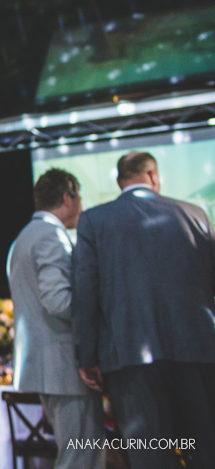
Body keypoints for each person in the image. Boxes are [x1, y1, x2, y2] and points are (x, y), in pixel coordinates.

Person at [72, 152, 215, 469]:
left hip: (129, 358)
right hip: (199, 351)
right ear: (153, 175)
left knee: (151, 454)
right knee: (207, 447)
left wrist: (88, 357)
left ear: (121, 181)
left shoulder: (94, 221)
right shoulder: (196, 214)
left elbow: (86, 292)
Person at [8, 168, 105, 469]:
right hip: (64, 366)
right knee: (81, 456)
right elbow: (58, 301)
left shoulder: (22, 239)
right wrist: (98, 319)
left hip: (46, 367)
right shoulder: (52, 235)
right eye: (80, 198)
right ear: (67, 197)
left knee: (75, 452)